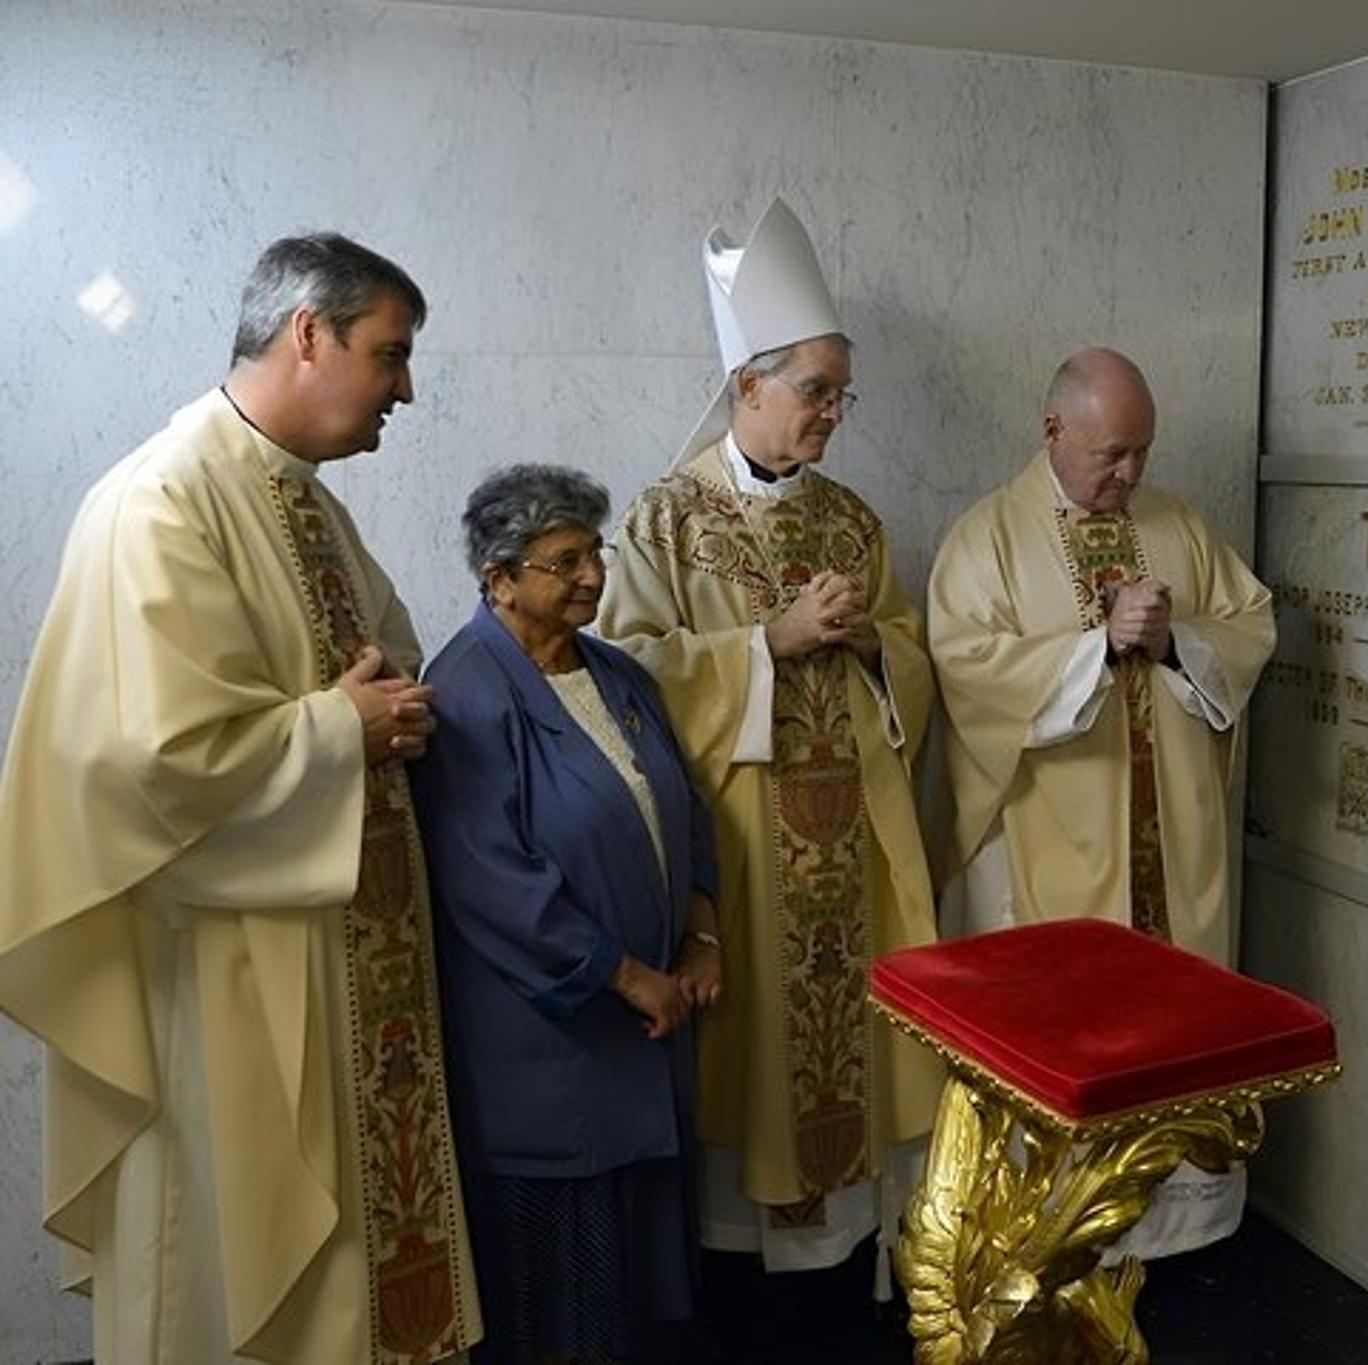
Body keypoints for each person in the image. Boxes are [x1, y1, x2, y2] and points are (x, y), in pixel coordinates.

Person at [0, 234, 479, 1362]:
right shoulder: (163, 502)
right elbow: (150, 762)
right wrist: (344, 727)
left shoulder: (310, 506)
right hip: (227, 980)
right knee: (234, 1273)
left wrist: (394, 711)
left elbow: (388, 662)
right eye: (390, 354)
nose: (406, 389)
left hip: (341, 958)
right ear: (308, 333)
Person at [599, 199, 941, 1278]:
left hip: (852, 853)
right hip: (742, 851)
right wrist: (767, 645)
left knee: (850, 1043)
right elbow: (625, 674)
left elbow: (914, 659)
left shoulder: (853, 520)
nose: (835, 412)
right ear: (749, 385)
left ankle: (844, 1250)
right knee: (754, 1060)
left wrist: (877, 649)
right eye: (816, 391)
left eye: (842, 393)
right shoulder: (665, 518)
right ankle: (743, 1269)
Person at [926, 345, 1275, 1257]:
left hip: (1171, 843)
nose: (1130, 473)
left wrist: (1175, 642)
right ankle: (1053, 1233)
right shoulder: (987, 538)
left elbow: (1250, 623)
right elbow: (969, 671)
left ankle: (1172, 1229)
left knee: (1172, 1021)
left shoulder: (1178, 523)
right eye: (1112, 453)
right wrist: (1096, 647)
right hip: (1044, 847)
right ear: (1053, 429)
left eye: (1142, 452)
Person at [410, 464, 721, 1365]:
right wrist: (624, 975)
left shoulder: (615, 672)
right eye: (565, 560)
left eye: (595, 551)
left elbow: (687, 809)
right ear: (500, 578)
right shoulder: (469, 687)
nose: (593, 575)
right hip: (553, 1043)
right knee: (567, 1299)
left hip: (647, 1027)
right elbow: (492, 881)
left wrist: (701, 934)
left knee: (641, 1296)